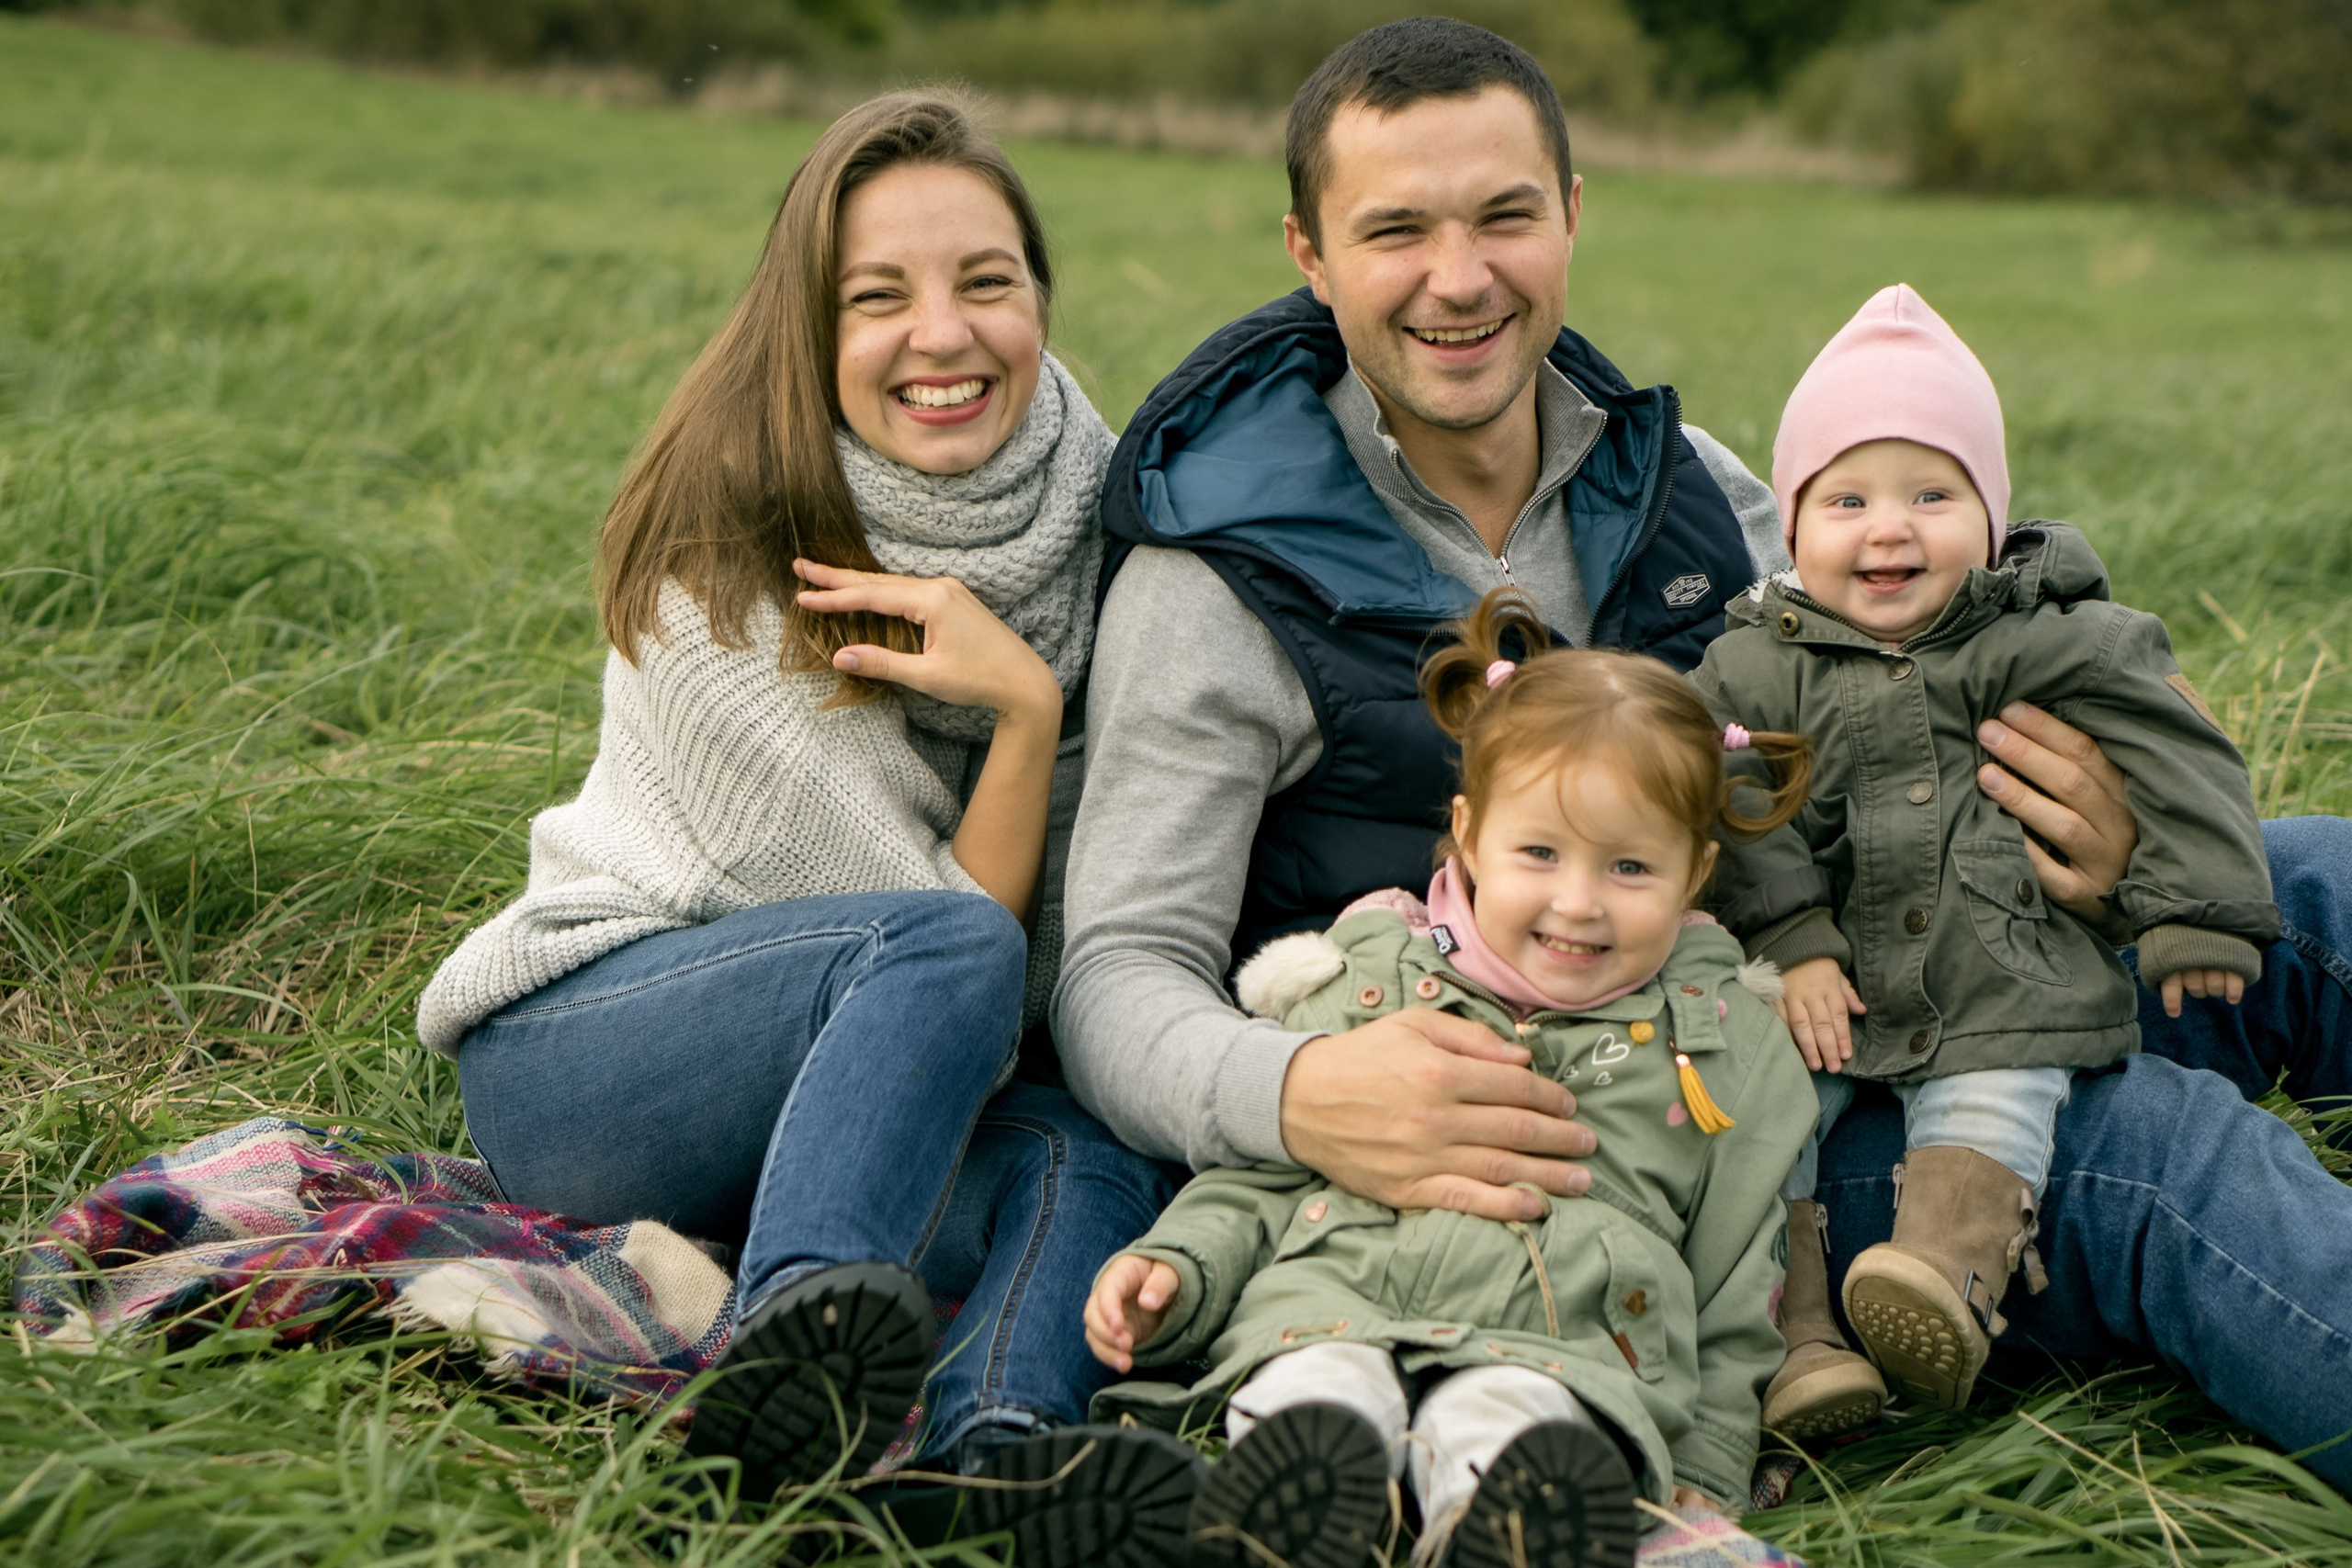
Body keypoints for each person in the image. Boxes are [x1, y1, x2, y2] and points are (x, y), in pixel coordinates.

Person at [1057, 15, 2352, 1495]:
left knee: (2308, 878)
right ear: (1309, 250)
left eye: (1504, 215)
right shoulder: (1220, 581)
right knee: (2157, 1151)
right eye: (1395, 228)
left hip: (1855, 994)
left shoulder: (1676, 484)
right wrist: (1301, 1094)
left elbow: (1918, 607)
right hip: (1653, 1146)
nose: (1461, 276)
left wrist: (2121, 854)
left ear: (1573, 215)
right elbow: (1112, 976)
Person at [414, 94, 1190, 1543]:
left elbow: (1036, 1002)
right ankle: (782, 1360)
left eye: (987, 282)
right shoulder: (727, 558)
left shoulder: (1112, 530)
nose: (944, 334)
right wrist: (1028, 719)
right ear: (809, 330)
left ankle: (992, 1449)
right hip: (603, 1068)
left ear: (1041, 300)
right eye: (877, 297)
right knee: (950, 951)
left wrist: (1023, 695)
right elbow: (955, 960)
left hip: (873, 1102)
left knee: (1100, 1151)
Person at [1084, 593, 1819, 1566]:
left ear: (1694, 875)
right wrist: (1182, 1267)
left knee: (1516, 1421)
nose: (1577, 903)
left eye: (1630, 867)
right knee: (1318, 1391)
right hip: (1334, 1305)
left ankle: (1506, 1525)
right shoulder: (1366, 978)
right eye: (1540, 853)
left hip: (1567, 1347)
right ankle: (1303, 1509)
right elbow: (1264, 1176)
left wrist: (1712, 1457)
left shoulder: (1726, 1039)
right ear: (1469, 836)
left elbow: (1738, 1274)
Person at [1691, 284, 2277, 1431]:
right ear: (1794, 525)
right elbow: (1728, 808)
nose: (1888, 528)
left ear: (1994, 518)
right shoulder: (1752, 670)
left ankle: (1948, 1284)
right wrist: (1791, 940)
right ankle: (1792, 1337)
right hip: (1833, 991)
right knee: (1764, 1107)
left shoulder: (2048, 641)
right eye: (1845, 498)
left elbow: (2176, 748)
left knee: (2000, 1091)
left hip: (1998, 968)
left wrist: (2194, 908)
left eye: (1932, 494)